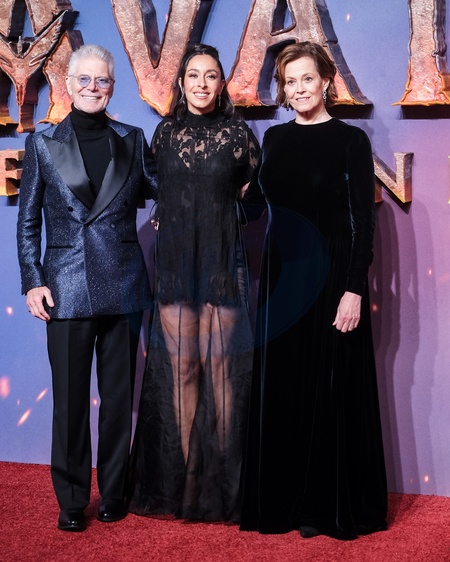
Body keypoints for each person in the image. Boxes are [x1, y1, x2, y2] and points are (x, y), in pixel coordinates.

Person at [239, 42, 388, 540]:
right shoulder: (274, 138)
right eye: (290, 81)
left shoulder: (351, 140)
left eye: (307, 78)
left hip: (331, 277)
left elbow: (363, 222)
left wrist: (354, 289)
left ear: (326, 80)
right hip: (282, 277)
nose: (299, 88)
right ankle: (285, 503)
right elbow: (254, 206)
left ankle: (325, 507)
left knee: (329, 388)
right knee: (284, 388)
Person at [16, 44, 157, 532]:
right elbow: (28, 222)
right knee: (71, 403)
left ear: (112, 87)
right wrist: (32, 281)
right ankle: (72, 499)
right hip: (66, 287)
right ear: (69, 84)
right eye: (85, 79)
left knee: (118, 400)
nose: (93, 88)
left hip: (123, 284)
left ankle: (114, 492)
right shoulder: (42, 143)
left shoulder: (133, 139)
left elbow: (166, 188)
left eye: (102, 80)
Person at [128, 43, 260, 523]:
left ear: (221, 84)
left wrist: (230, 211)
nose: (202, 84)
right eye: (194, 76)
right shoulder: (163, 134)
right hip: (175, 265)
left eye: (211, 75)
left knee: (223, 376)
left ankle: (226, 487)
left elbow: (256, 202)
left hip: (221, 263)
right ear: (181, 84)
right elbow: (156, 188)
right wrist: (166, 213)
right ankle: (185, 483)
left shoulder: (239, 136)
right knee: (181, 373)